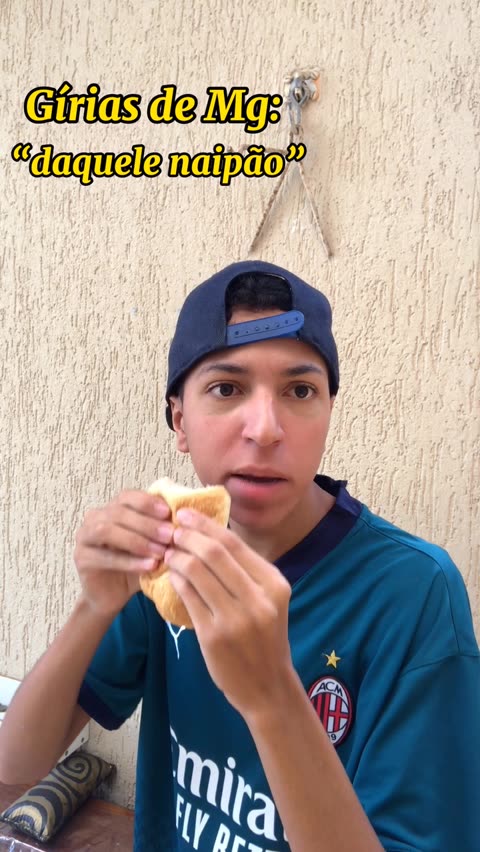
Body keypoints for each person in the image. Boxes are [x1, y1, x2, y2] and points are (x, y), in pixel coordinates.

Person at [0, 260, 479, 852]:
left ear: (329, 411)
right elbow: (17, 764)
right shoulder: (166, 559)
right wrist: (93, 607)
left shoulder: (414, 593)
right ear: (180, 420)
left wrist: (273, 695)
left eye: (300, 390)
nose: (266, 428)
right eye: (227, 389)